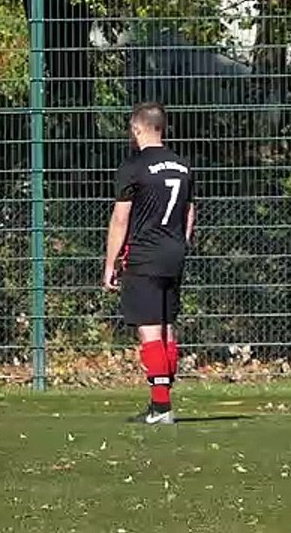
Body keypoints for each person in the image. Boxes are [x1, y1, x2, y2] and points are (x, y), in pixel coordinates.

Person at [103, 101, 195, 425]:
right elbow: (189, 212)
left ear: (137, 128)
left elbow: (120, 219)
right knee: (167, 327)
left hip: (144, 254)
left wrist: (110, 263)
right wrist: (180, 244)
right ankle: (162, 401)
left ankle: (161, 407)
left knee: (150, 329)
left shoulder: (134, 167)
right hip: (174, 253)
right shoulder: (183, 166)